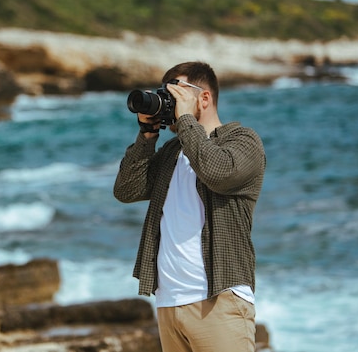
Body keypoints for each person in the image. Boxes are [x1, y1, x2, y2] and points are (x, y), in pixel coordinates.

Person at [113, 61, 266, 352]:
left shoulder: (243, 141)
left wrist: (185, 122)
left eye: (178, 94)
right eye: (166, 94)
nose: (171, 102)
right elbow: (126, 190)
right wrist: (147, 134)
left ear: (204, 98)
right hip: (169, 303)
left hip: (218, 299)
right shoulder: (173, 151)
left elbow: (217, 173)